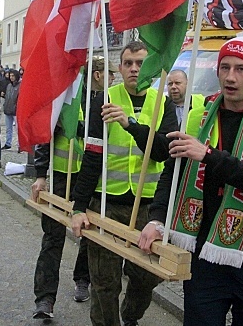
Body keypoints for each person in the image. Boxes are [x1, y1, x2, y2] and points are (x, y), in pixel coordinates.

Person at [139, 36, 243, 326]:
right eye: (224, 68)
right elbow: (172, 172)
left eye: (241, 69)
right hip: (204, 255)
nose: (230, 77)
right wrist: (157, 218)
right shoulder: (198, 115)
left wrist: (209, 156)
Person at [71, 42, 177, 326]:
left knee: (146, 277)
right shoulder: (104, 99)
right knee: (104, 282)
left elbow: (162, 152)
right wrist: (78, 207)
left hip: (147, 207)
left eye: (140, 63)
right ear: (119, 68)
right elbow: (91, 158)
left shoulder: (163, 103)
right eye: (128, 63)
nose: (134, 69)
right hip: (106, 202)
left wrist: (130, 124)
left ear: (151, 68)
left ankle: (130, 315)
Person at [30, 55, 117, 320]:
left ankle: (82, 279)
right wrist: (41, 173)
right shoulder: (66, 97)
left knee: (88, 236)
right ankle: (45, 299)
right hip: (59, 176)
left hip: (89, 179)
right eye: (110, 73)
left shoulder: (105, 102)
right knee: (52, 238)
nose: (114, 78)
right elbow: (45, 133)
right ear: (99, 75)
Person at [1, 69, 20, 150]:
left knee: (18, 129)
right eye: (10, 76)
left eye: (13, 76)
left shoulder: (20, 85)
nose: (11, 77)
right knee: (8, 128)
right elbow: (8, 97)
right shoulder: (9, 85)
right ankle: (8, 143)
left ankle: (20, 145)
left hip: (16, 110)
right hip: (8, 108)